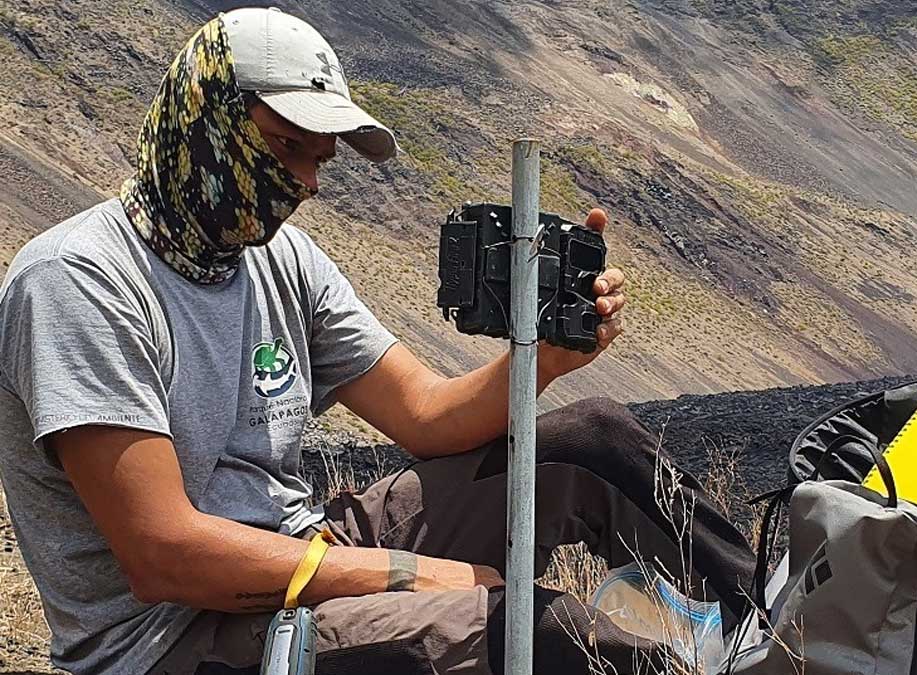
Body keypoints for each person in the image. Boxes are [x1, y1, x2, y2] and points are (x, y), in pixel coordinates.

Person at [0, 7, 756, 675]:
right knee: (542, 632)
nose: (306, 183)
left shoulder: (279, 259)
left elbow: (426, 413)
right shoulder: (80, 281)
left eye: (318, 160)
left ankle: (788, 634)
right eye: (287, 147)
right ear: (204, 121)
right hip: (184, 637)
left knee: (597, 439)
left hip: (306, 545)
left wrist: (549, 360)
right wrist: (412, 574)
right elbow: (162, 555)